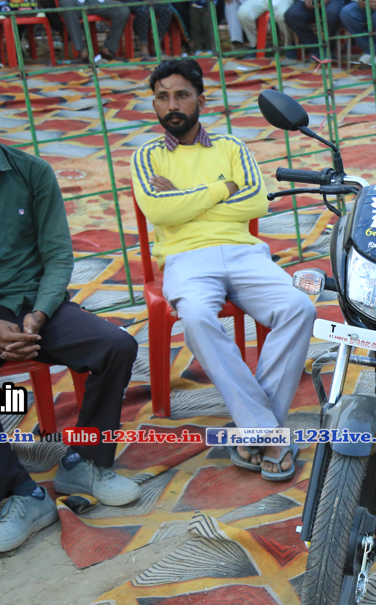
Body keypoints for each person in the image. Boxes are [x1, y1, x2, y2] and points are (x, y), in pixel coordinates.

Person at [0, 64, 141, 554]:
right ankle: (22, 493)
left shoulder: (33, 173)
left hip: (39, 306)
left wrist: (39, 314)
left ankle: (84, 463)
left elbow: (58, 256)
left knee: (116, 345)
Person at [131, 59, 315, 481]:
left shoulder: (232, 147)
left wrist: (185, 198)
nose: (172, 105)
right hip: (186, 259)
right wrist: (222, 188)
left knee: (299, 308)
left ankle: (253, 430)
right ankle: (267, 433)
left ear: (201, 100)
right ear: (154, 104)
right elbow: (160, 210)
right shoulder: (146, 156)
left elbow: (256, 202)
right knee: (196, 317)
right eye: (162, 97)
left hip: (244, 252)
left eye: (181, 95)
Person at [61, 0, 129, 62]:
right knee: (67, 6)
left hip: (98, 2)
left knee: (122, 10)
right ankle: (82, 52)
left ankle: (108, 50)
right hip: (74, 2)